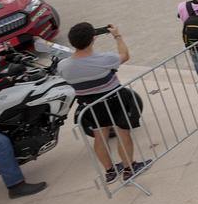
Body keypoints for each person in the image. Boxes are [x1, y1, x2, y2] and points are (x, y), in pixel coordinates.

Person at [58, 22, 150, 183]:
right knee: (123, 133)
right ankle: (129, 169)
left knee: (100, 136)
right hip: (114, 100)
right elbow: (125, 55)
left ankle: (110, 172)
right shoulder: (105, 59)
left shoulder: (63, 66)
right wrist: (117, 36)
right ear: (93, 39)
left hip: (90, 105)